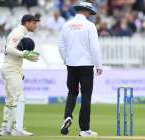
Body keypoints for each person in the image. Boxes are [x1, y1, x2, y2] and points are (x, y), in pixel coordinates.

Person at [58, 1, 102, 137]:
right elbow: (94, 47)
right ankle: (84, 129)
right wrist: (98, 65)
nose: (90, 15)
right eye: (89, 12)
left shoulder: (66, 25)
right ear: (86, 11)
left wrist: (66, 59)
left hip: (71, 65)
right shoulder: (89, 25)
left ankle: (67, 116)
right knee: (86, 96)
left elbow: (61, 45)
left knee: (72, 92)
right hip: (86, 65)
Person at [0, 14, 40, 136]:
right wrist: (24, 54)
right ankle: (17, 128)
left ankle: (5, 128)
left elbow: (14, 52)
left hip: (11, 67)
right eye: (34, 22)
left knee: (11, 99)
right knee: (18, 97)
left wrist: (26, 56)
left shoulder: (20, 33)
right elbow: (9, 49)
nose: (35, 25)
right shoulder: (18, 33)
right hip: (11, 68)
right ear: (27, 23)